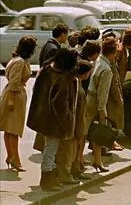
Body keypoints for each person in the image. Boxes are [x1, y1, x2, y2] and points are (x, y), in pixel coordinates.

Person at [27, 48, 78, 191]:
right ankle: (47, 181)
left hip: (42, 117)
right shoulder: (63, 79)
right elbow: (60, 105)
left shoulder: (46, 70)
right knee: (51, 151)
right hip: (54, 122)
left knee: (49, 150)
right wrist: (67, 122)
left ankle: (51, 180)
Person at [0, 36, 37, 172]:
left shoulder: (17, 59)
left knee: (9, 129)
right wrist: (11, 101)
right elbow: (14, 81)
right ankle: (15, 158)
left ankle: (11, 156)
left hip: (13, 94)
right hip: (14, 96)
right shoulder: (20, 62)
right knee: (13, 129)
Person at [85, 37, 119, 173]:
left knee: (93, 133)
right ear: (114, 52)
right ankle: (89, 161)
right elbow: (103, 93)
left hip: (90, 97)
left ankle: (97, 160)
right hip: (95, 102)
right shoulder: (107, 69)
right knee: (92, 132)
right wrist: (102, 111)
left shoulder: (99, 61)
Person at [70, 60, 94, 181]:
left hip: (78, 121)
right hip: (76, 122)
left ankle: (76, 170)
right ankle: (74, 170)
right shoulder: (76, 84)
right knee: (75, 148)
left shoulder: (78, 83)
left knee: (77, 147)